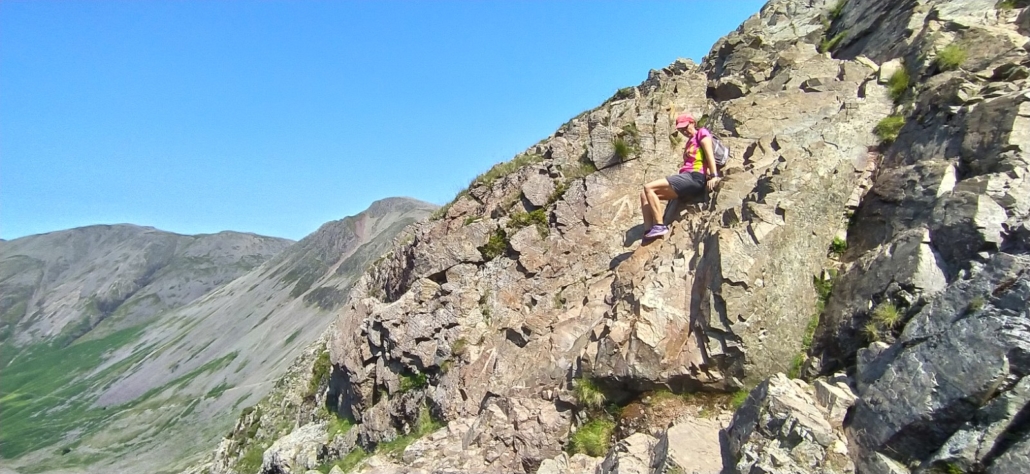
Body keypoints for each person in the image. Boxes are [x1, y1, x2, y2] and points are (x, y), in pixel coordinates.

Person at [639, 114, 722, 240]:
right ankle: (648, 231)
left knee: (649, 187)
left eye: (685, 127)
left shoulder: (702, 133)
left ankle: (659, 226)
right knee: (644, 194)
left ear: (693, 123)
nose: (684, 131)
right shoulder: (689, 142)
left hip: (695, 176)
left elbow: (709, 155)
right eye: (680, 129)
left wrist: (714, 176)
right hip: (686, 178)